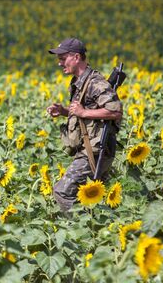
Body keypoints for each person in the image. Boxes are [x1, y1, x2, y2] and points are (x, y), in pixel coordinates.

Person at [46, 38, 122, 212]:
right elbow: (87, 111)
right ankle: (95, 230)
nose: (59, 63)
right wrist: (65, 111)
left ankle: (77, 229)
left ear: (76, 57)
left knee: (62, 192)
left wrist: (83, 112)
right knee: (93, 202)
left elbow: (116, 111)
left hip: (95, 151)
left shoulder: (95, 82)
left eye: (62, 58)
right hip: (89, 149)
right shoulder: (80, 82)